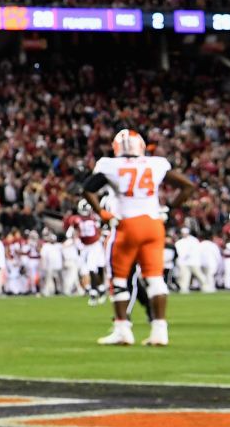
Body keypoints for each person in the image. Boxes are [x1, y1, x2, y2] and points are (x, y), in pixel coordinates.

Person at [82, 129, 198, 346]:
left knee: (118, 280)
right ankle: (160, 331)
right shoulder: (156, 164)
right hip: (153, 225)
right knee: (155, 279)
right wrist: (170, 209)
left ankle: (122, 329)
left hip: (127, 225)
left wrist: (104, 214)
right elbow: (188, 186)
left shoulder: (110, 165)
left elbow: (88, 189)